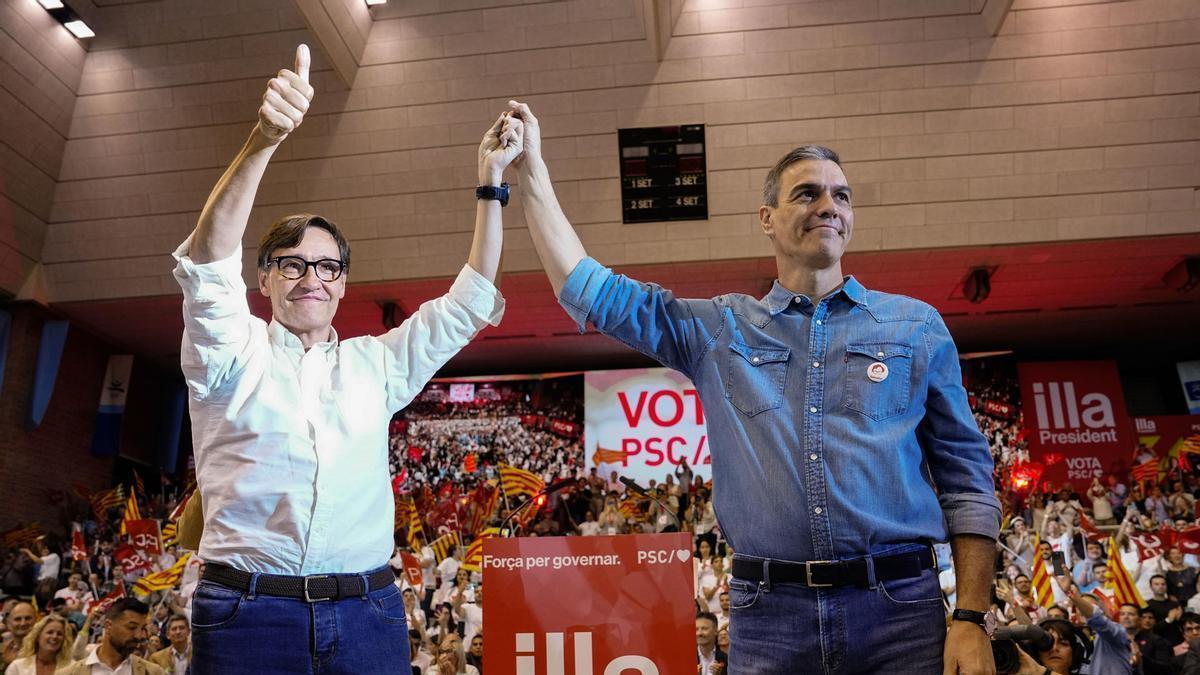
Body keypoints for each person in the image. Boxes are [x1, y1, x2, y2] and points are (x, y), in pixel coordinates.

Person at [508, 98, 1000, 673]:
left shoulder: (915, 326)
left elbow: (967, 479)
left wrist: (970, 619)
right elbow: (587, 286)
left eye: (841, 195)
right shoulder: (717, 328)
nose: (828, 206)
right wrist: (533, 172)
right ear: (766, 218)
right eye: (807, 193)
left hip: (899, 612)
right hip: (770, 620)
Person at [172, 45, 518, 674]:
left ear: (343, 282)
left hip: (368, 615)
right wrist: (265, 138)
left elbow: (468, 300)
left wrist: (491, 183)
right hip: (249, 617)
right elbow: (206, 261)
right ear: (266, 277)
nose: (312, 278)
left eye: (328, 266)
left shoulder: (375, 365)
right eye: (293, 264)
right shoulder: (229, 354)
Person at [56, 598, 164, 675]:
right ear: (108, 626)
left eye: (142, 629)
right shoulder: (69, 673)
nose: (139, 635)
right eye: (131, 627)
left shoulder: (153, 672)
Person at [3, 614, 74, 675]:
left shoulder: (72, 667)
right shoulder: (17, 666)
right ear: (38, 637)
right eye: (50, 632)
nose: (54, 636)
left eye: (59, 634)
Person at [1, 602, 35, 671]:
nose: (23, 623)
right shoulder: (1, 650)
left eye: (28, 618)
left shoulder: (45, 649)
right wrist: (5, 664)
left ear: (36, 620)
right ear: (8, 623)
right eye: (18, 619)